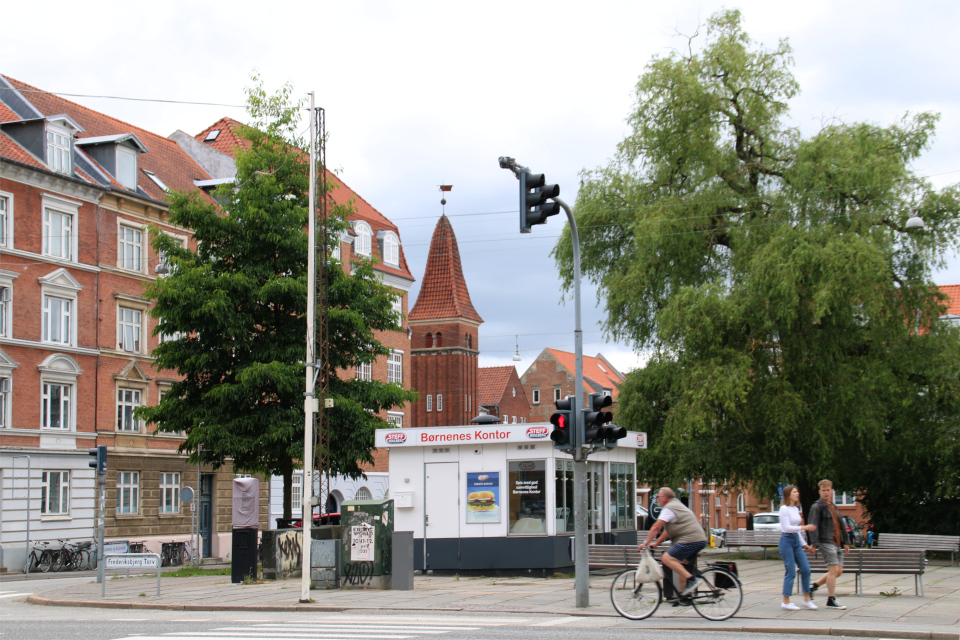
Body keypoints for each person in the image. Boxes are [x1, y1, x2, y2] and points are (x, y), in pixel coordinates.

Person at [639, 487, 708, 597]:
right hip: (697, 539)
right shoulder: (676, 505)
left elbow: (656, 527)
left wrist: (646, 542)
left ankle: (692, 580)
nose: (657, 499)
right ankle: (683, 595)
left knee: (666, 558)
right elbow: (667, 531)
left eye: (658, 497)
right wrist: (656, 543)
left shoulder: (669, 509)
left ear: (665, 498)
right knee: (680, 563)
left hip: (690, 539)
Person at [808, 479, 851, 609]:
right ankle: (831, 600)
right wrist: (814, 544)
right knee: (833, 571)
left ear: (832, 491)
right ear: (819, 491)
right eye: (823, 490)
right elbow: (813, 526)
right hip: (826, 542)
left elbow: (840, 525)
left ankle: (813, 586)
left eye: (828, 490)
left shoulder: (832, 505)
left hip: (837, 542)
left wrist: (845, 542)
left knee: (838, 571)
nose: (826, 493)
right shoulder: (817, 507)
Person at [778, 485, 818, 610]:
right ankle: (786, 601)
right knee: (790, 571)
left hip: (796, 541)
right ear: (788, 494)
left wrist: (806, 546)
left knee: (806, 569)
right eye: (795, 492)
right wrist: (804, 527)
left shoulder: (795, 508)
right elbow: (786, 528)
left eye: (797, 491)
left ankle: (807, 599)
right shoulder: (784, 509)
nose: (797, 493)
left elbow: (797, 532)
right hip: (786, 541)